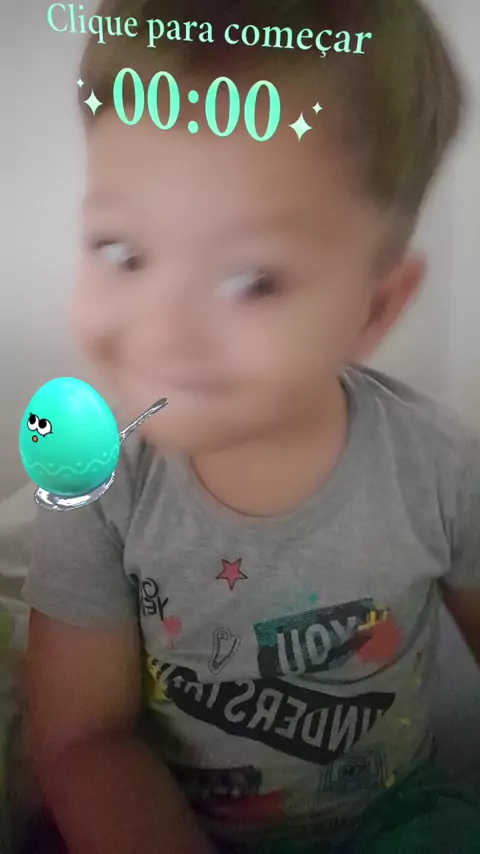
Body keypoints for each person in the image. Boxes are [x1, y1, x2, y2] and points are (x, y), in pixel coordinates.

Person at [25, 1, 480, 852]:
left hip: (392, 819)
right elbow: (83, 741)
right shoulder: (91, 485)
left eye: (253, 281)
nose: (163, 327)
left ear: (374, 308)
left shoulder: (442, 470)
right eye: (124, 253)